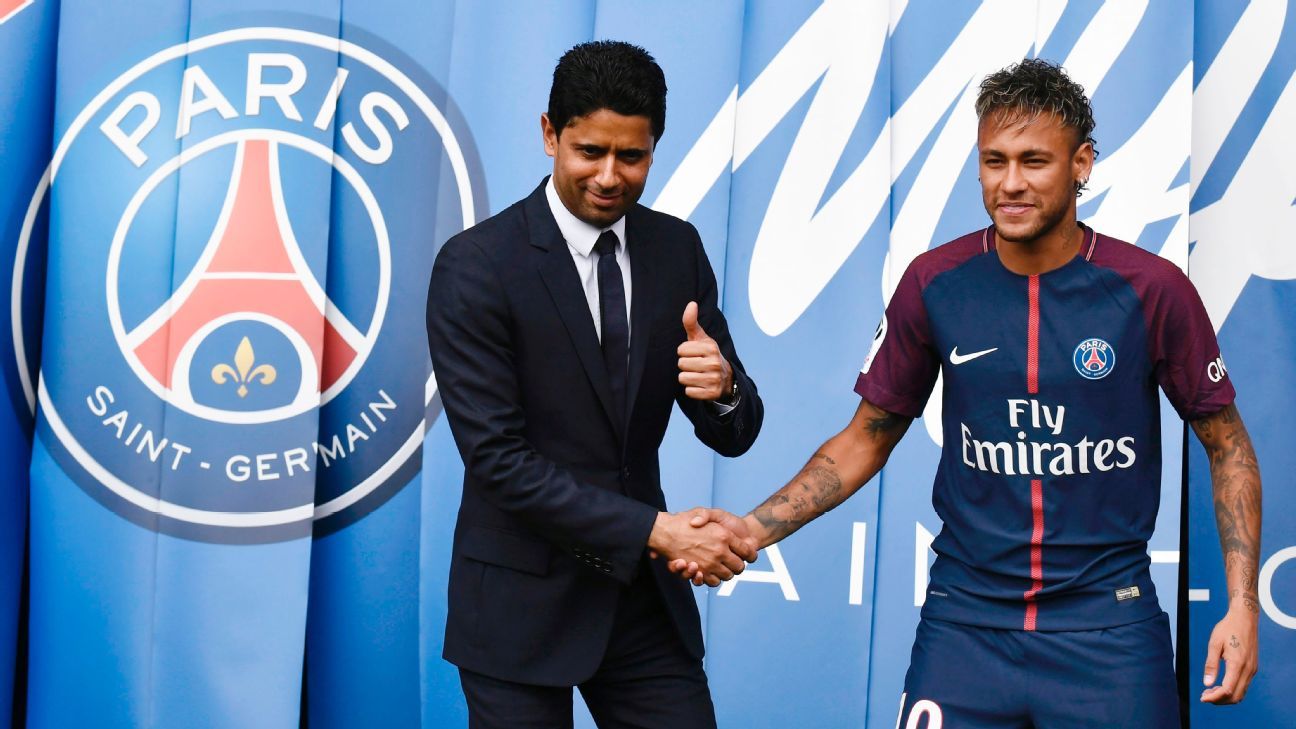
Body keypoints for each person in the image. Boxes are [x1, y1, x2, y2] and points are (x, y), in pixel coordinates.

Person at [676, 59, 1261, 726]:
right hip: (965, 628)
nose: (1010, 183)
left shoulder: (1153, 289)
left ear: (1082, 164)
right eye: (994, 161)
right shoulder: (935, 282)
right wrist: (751, 528)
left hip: (1109, 631)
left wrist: (1242, 604)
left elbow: (1229, 446)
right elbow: (864, 439)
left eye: (1034, 161)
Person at [426, 40, 763, 729]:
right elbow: (498, 460)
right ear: (550, 134)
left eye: (631, 156)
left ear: (654, 149)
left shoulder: (677, 248)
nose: (610, 176)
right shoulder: (477, 265)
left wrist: (723, 387)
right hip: (519, 605)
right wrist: (658, 531)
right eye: (590, 151)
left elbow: (734, 432)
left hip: (641, 603)